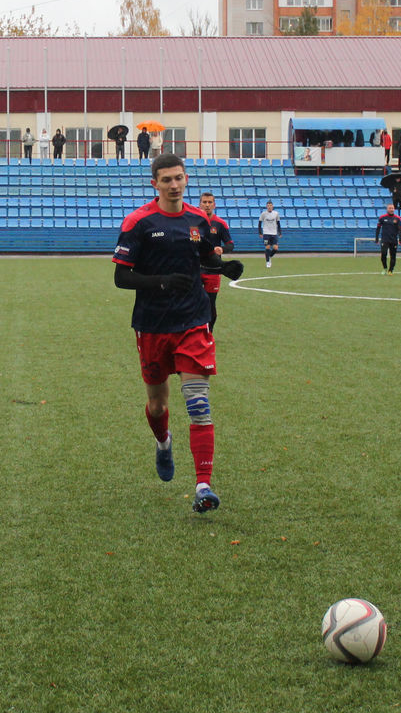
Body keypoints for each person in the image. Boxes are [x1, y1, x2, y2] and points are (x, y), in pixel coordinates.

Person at [113, 154, 243, 514]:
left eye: (179, 178)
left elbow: (201, 259)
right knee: (158, 405)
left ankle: (204, 485)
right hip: (153, 325)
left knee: (198, 403)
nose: (173, 185)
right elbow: (122, 277)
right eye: (166, 179)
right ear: (154, 183)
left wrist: (224, 267)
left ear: (186, 180)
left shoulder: (199, 220)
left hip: (193, 320)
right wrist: (163, 283)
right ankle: (163, 442)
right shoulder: (139, 222)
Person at [198, 191, 236, 332]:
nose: (207, 205)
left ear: (214, 205)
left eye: (210, 202)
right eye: (204, 202)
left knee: (210, 303)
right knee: (190, 301)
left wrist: (223, 249)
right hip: (194, 269)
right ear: (199, 204)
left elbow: (230, 244)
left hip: (213, 270)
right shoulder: (192, 222)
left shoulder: (220, 224)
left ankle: (209, 332)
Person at [375, 203, 401, 274]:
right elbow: (378, 228)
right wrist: (377, 238)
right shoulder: (382, 218)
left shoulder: (398, 218)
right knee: (383, 254)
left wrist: (400, 239)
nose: (391, 209)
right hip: (385, 239)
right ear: (387, 209)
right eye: (390, 208)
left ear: (394, 209)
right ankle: (385, 268)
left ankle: (390, 270)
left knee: (393, 255)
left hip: (393, 240)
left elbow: (400, 229)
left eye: (392, 208)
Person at [259, 200, 282, 267]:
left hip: (274, 233)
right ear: (266, 206)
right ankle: (268, 262)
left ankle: (269, 256)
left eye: (270, 205)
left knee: (275, 248)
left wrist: (280, 232)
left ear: (272, 206)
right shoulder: (263, 214)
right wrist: (260, 232)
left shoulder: (276, 213)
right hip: (266, 233)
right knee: (268, 247)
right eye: (268, 205)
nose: (269, 207)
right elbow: (259, 223)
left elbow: (278, 223)